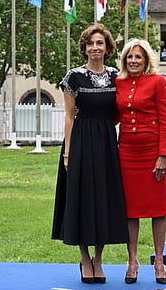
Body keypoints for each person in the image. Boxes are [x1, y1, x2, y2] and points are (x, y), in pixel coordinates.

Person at [52, 24, 129, 284]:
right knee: (83, 198)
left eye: (100, 43)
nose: (95, 48)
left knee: (103, 199)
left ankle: (99, 258)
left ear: (107, 48)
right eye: (90, 44)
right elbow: (69, 116)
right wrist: (68, 154)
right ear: (84, 48)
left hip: (107, 143)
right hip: (81, 142)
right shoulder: (73, 77)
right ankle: (84, 258)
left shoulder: (116, 76)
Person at [115, 38, 166, 285]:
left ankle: (159, 261)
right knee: (131, 211)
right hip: (126, 152)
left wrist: (163, 155)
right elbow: (113, 115)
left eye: (138, 57)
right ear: (124, 60)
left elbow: (165, 119)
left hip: (152, 154)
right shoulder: (119, 83)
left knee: (158, 209)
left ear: (147, 59)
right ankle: (132, 261)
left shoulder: (157, 82)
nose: (134, 61)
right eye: (130, 57)